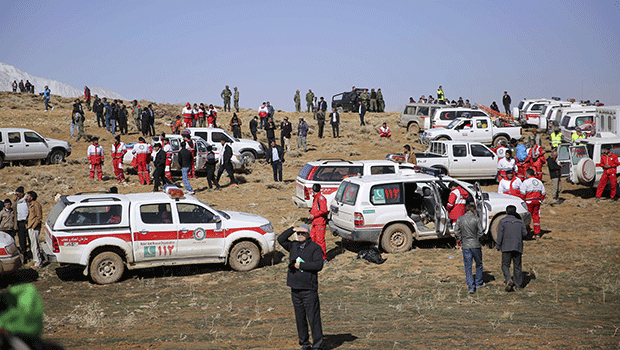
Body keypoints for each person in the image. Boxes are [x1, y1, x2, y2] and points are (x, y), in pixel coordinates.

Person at [277, 224, 324, 350]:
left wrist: (301, 266)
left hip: (309, 289)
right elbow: (281, 239)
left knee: (313, 317)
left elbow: (318, 265)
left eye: (303, 233)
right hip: (295, 288)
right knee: (300, 317)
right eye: (298, 233)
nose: (300, 235)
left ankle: (317, 345)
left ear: (308, 234)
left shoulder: (315, 248)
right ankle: (304, 343)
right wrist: (292, 229)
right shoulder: (293, 245)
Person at [496, 205, 528, 292]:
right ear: (515, 212)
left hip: (506, 247)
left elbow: (500, 235)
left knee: (505, 265)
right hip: (517, 247)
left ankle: (508, 279)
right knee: (517, 266)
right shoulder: (520, 222)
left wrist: (498, 245)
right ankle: (518, 285)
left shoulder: (502, 221)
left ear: (506, 212)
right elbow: (525, 234)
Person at [455, 203, 484, 294]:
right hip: (475, 244)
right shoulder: (476, 219)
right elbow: (481, 232)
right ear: (473, 210)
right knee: (478, 264)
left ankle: (470, 286)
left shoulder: (460, 219)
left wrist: (461, 240)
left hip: (466, 245)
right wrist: (477, 238)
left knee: (468, 266)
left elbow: (456, 231)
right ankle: (478, 282)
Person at [520, 168, 546, 238]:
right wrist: (540, 200)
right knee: (536, 217)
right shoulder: (539, 182)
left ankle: (527, 232)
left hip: (528, 202)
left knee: (527, 217)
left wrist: (522, 201)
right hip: (537, 201)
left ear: (528, 174)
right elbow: (543, 193)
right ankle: (537, 233)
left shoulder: (526, 182)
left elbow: (522, 193)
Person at [308, 184, 328, 261]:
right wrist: (311, 214)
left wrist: (313, 216)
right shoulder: (316, 198)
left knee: (320, 240)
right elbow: (315, 209)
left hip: (320, 223)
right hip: (315, 223)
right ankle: (314, 256)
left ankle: (323, 258)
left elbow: (323, 210)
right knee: (312, 239)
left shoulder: (321, 198)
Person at [26, 191, 43, 268]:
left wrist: (34, 226)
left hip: (34, 228)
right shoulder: (31, 205)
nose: (27, 197)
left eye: (28, 196)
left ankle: (38, 262)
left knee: (35, 245)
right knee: (33, 245)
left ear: (31, 197)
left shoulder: (36, 205)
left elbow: (39, 217)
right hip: (30, 226)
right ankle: (36, 260)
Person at [12, 187, 29, 257]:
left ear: (22, 193)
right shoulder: (16, 201)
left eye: (18, 194)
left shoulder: (27, 200)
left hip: (27, 222)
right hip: (19, 222)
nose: (17, 196)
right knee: (21, 240)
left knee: (29, 239)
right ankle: (24, 255)